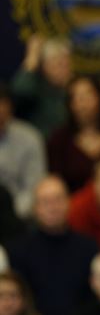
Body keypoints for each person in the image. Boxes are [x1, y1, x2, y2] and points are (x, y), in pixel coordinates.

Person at [7, 176, 99, 315]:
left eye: (58, 200)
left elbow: (92, 299)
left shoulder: (89, 248)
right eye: (45, 201)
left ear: (69, 203)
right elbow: (19, 299)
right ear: (35, 208)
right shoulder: (17, 250)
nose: (53, 207)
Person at [0, 82, 47, 219]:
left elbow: (34, 187)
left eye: (3, 107)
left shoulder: (30, 138)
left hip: (19, 217)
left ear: (10, 108)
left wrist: (11, 214)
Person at [11, 35, 72, 138]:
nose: (63, 69)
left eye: (66, 64)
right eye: (57, 64)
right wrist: (31, 61)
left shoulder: (72, 91)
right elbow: (18, 93)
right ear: (44, 67)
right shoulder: (36, 89)